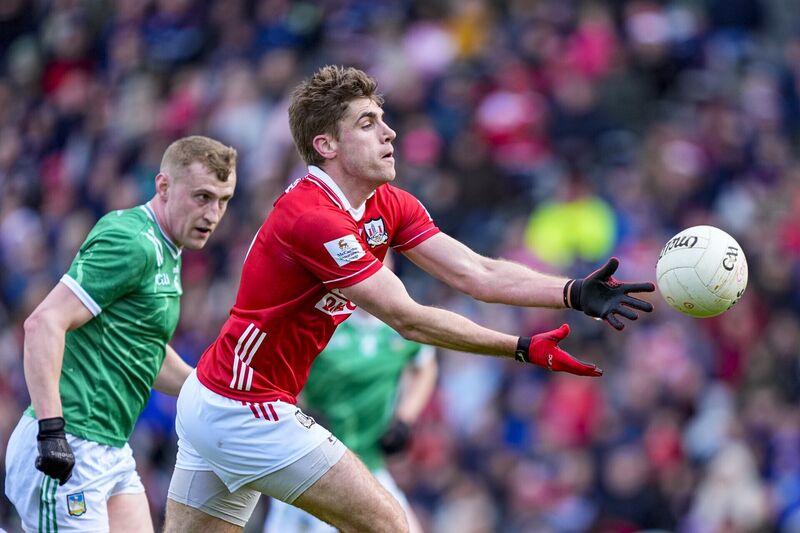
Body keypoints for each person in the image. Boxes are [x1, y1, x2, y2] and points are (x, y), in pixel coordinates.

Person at [163, 65, 655, 533]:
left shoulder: (386, 202)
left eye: (384, 120)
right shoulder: (313, 218)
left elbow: (476, 272)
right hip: (247, 407)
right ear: (326, 144)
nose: (389, 133)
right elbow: (408, 320)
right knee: (391, 524)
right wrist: (521, 347)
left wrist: (570, 292)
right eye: (368, 123)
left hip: (217, 399)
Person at [5, 135, 238, 533]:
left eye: (223, 199)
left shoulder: (169, 248)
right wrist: (51, 431)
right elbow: (43, 323)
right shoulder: (132, 241)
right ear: (163, 186)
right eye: (201, 197)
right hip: (70, 443)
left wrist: (215, 394)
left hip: (111, 450)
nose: (213, 213)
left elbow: (146, 349)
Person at [263, 305, 438, 533]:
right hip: (311, 466)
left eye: (384, 266)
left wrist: (405, 418)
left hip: (368, 466)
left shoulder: (402, 327)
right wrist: (300, 409)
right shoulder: (323, 317)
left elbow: (426, 366)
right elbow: (280, 364)